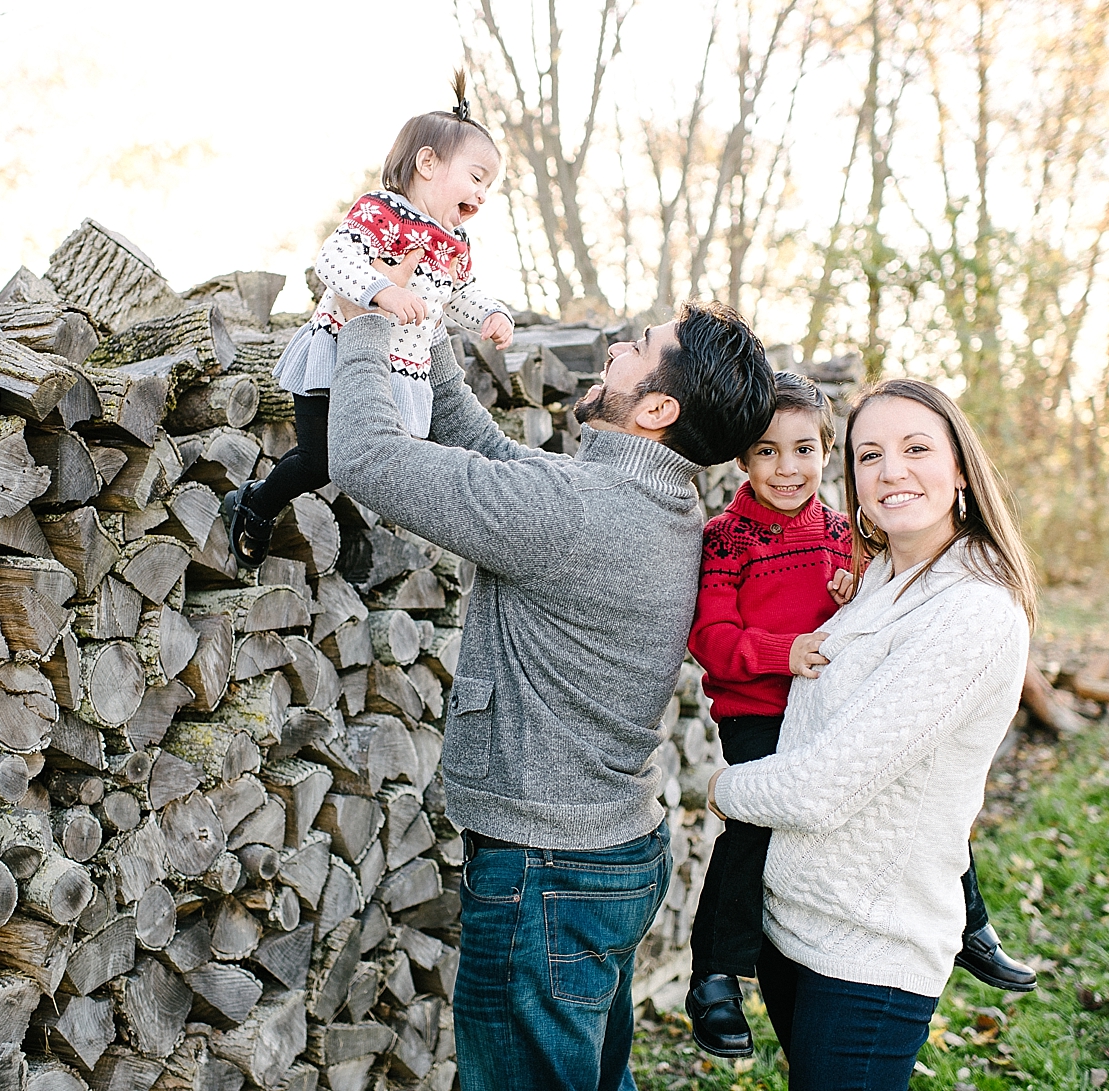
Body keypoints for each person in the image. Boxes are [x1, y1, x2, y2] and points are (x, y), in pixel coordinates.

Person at [326, 258, 775, 1089]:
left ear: (657, 407)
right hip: (608, 850)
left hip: (546, 874)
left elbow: (365, 459)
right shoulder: (649, 501)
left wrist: (363, 319)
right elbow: (502, 467)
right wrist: (425, 337)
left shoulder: (574, 512)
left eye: (638, 348)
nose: (614, 347)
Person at [683, 381, 1036, 1060]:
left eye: (916, 448)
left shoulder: (941, 591)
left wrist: (718, 789)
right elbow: (715, 633)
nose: (788, 468)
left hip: (875, 949)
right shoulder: (760, 546)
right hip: (766, 740)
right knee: (748, 840)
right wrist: (800, 632)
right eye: (872, 454)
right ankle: (717, 970)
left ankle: (971, 922)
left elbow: (834, 777)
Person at [221, 71, 514, 565]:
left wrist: (489, 313)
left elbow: (457, 296)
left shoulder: (456, 244)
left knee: (359, 461)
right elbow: (334, 261)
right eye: (476, 178)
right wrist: (380, 291)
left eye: (489, 187)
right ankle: (256, 502)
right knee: (322, 458)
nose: (483, 195)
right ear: (427, 163)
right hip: (338, 352)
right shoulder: (382, 214)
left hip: (393, 370)